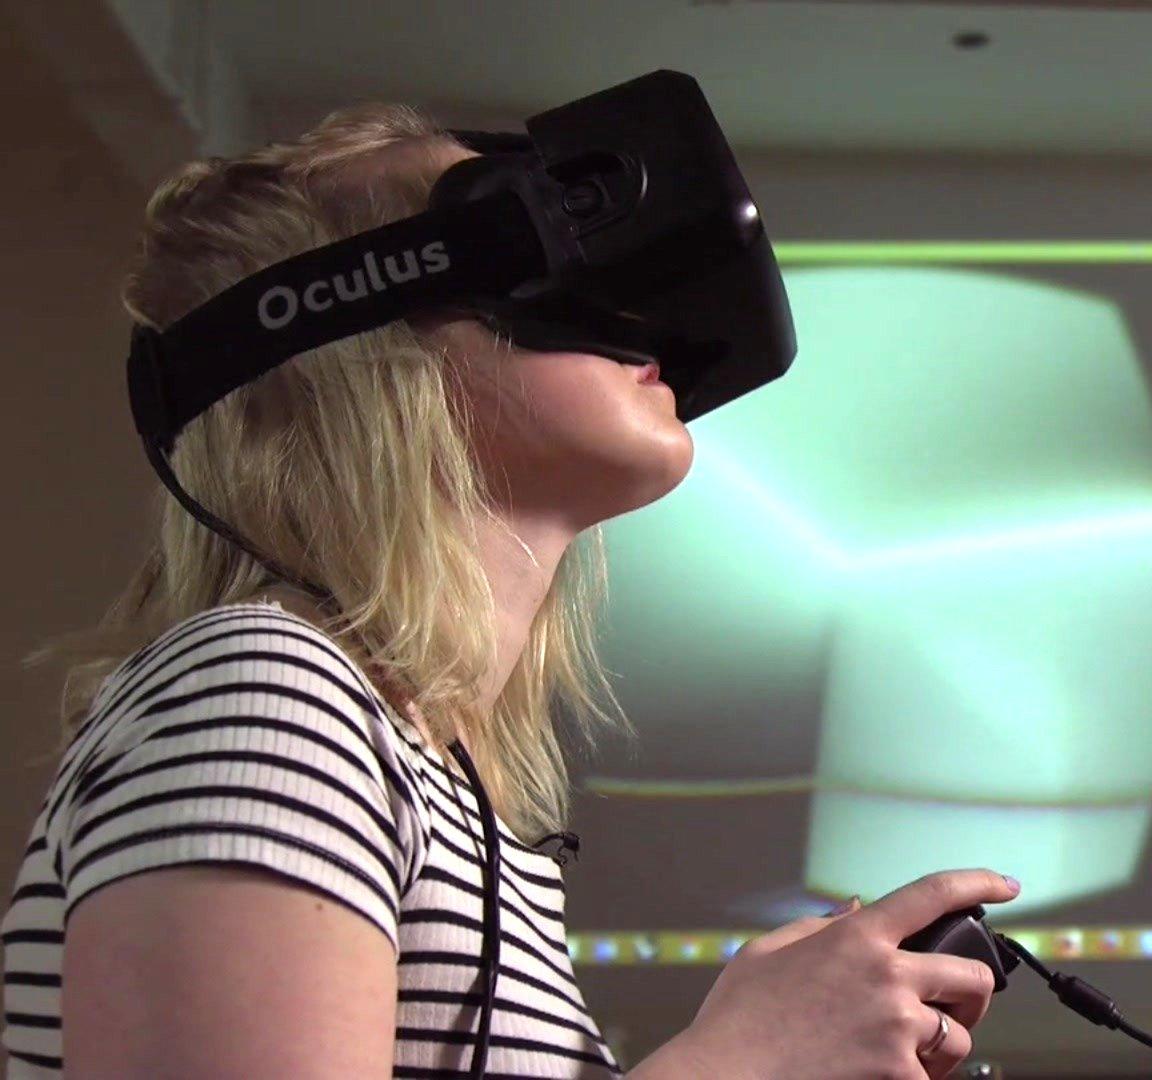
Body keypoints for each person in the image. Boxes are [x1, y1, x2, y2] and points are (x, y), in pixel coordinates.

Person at [0, 102, 1018, 1078]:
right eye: (532, 237)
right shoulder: (262, 695)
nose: (632, 308)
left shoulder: (429, 780)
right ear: (361, 337)